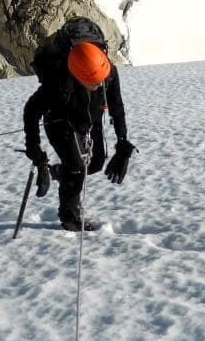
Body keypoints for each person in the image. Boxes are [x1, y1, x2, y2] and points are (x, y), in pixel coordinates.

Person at [23, 18, 135, 231]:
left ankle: (59, 172)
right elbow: (31, 111)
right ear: (76, 75)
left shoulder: (107, 71)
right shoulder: (58, 81)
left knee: (95, 163)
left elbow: (116, 105)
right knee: (76, 168)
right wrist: (35, 152)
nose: (97, 85)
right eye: (92, 83)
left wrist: (122, 142)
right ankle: (70, 218)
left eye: (99, 81)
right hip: (59, 121)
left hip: (90, 121)